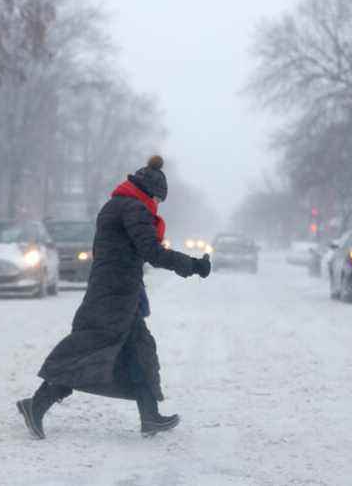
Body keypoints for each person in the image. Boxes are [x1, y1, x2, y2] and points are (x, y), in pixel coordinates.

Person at [17, 155, 211, 439]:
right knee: (86, 354)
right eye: (157, 199)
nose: (157, 205)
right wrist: (192, 265)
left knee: (139, 350)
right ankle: (36, 405)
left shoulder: (119, 204)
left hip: (119, 294)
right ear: (150, 192)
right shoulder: (134, 209)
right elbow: (152, 251)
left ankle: (150, 416)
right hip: (112, 296)